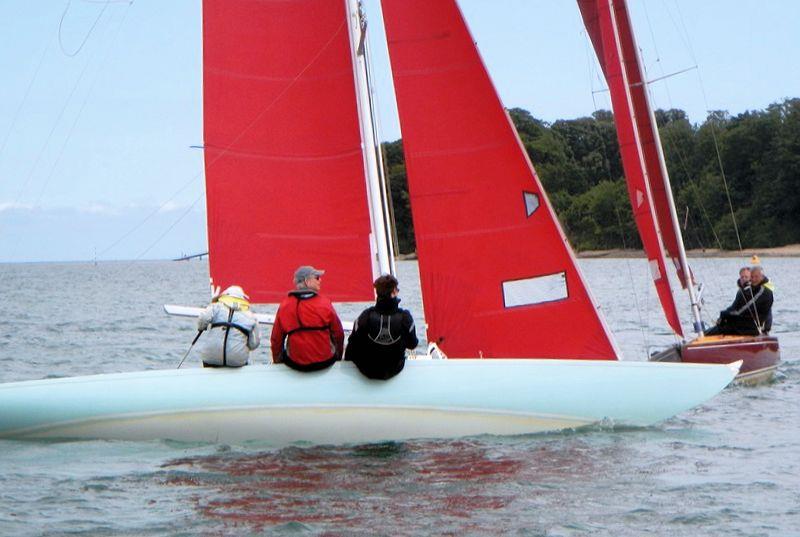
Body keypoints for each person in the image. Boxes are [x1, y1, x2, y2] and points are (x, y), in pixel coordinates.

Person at [344, 274, 419, 380]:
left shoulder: (366, 316)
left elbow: (352, 345)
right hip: (395, 369)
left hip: (367, 370)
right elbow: (413, 344)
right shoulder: (405, 318)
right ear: (393, 292)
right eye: (397, 289)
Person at [271, 265, 344, 371]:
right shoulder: (325, 304)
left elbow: (276, 339)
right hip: (325, 362)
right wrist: (338, 357)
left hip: (295, 364)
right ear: (307, 281)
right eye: (317, 277)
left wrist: (277, 362)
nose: (320, 280)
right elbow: (338, 334)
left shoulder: (285, 306)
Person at [196, 285, 260, 367]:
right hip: (237, 360)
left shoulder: (216, 307)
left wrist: (201, 328)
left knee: (209, 363)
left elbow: (203, 318)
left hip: (211, 357)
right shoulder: (251, 317)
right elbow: (254, 344)